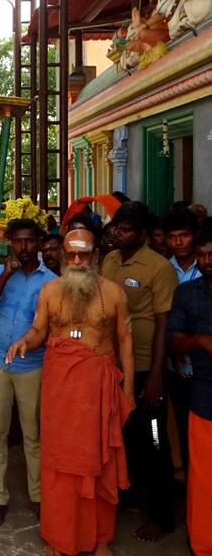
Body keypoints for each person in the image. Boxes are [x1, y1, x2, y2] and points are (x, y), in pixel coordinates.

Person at [7, 229, 134, 556]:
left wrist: (129, 391)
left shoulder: (114, 293)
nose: (78, 261)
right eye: (71, 255)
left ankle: (101, 537)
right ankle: (58, 536)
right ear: (63, 255)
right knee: (59, 465)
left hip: (96, 391)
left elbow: (125, 342)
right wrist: (24, 340)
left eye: (84, 255)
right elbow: (38, 330)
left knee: (99, 463)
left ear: (95, 256)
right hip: (60, 392)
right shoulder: (50, 291)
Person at [101, 201, 178, 541]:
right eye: (116, 227)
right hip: (116, 369)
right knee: (126, 438)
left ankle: (162, 517)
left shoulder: (159, 268)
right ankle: (130, 497)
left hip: (148, 371)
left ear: (143, 234)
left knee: (155, 442)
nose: (117, 232)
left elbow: (164, 325)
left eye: (126, 228)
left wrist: (157, 377)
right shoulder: (110, 260)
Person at [0, 218, 57, 526]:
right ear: (11, 243)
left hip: (32, 366)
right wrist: (6, 273)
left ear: (38, 242)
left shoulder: (50, 280)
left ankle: (37, 496)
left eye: (30, 241)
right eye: (18, 241)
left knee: (32, 435)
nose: (24, 247)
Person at [167, 228, 212, 556]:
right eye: (202, 255)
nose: (207, 261)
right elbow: (173, 340)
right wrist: (201, 341)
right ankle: (202, 544)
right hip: (203, 395)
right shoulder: (188, 293)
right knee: (202, 477)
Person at [163, 207, 202, 476]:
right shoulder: (164, 269)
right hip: (172, 366)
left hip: (203, 365)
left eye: (184, 236)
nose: (178, 242)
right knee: (174, 425)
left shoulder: (206, 268)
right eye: (173, 236)